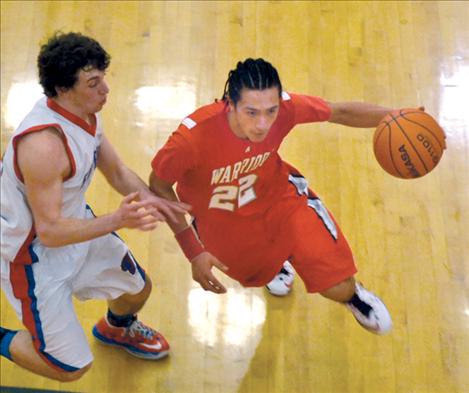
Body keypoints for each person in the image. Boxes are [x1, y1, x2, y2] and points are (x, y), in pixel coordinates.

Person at [149, 58, 396, 337]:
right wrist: (192, 248)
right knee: (256, 276)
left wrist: (397, 116)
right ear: (230, 104)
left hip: (281, 202)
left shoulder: (287, 111)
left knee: (339, 286)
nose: (262, 124)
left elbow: (339, 112)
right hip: (223, 222)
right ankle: (278, 262)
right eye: (251, 112)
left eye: (271, 111)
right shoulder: (191, 140)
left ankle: (354, 297)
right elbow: (158, 185)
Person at [0, 32, 189, 382]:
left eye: (103, 78)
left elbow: (116, 172)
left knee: (137, 290)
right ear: (62, 89)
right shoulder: (43, 146)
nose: (106, 90)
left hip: (72, 226)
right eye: (94, 83)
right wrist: (119, 219)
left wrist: (162, 204)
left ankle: (117, 329)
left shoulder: (86, 113)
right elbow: (51, 232)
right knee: (69, 368)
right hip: (32, 257)